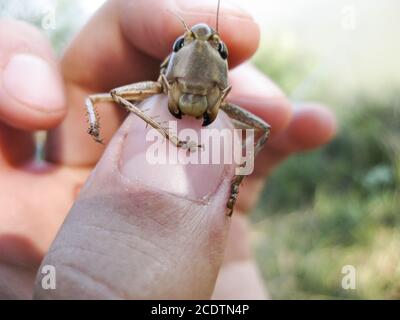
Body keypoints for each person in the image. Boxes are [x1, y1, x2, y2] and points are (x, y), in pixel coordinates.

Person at [0, 0, 336, 299]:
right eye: (184, 43)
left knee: (260, 125)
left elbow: (260, 131)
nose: (201, 49)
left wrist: (234, 184)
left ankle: (230, 186)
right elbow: (106, 96)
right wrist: (126, 126)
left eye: (218, 50)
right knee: (108, 96)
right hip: (157, 99)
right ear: (172, 57)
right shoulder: (157, 81)